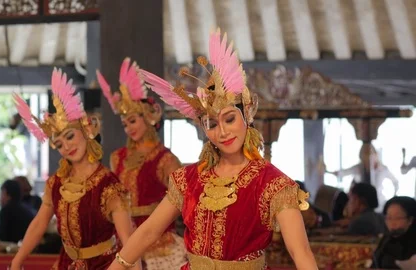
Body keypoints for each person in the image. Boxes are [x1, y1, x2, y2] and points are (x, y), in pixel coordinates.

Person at [107, 29, 317, 270]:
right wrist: (117, 266)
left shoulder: (273, 184)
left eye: (229, 119)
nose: (223, 132)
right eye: (212, 123)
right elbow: (149, 231)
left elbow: (299, 252)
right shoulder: (189, 179)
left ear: (247, 114)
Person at [10, 69, 141, 270]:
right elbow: (39, 224)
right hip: (65, 264)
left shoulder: (109, 186)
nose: (67, 147)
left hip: (105, 265)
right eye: (59, 144)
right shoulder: (56, 183)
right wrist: (17, 260)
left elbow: (129, 242)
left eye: (70, 136)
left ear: (86, 130)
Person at [97, 58, 187, 269]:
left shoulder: (166, 159)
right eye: (124, 123)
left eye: (133, 121)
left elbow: (183, 200)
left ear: (148, 117)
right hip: (123, 239)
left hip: (159, 243)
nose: (128, 128)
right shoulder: (117, 157)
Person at [328, 144, 398, 212]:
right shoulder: (359, 168)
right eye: (365, 155)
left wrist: (394, 195)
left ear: (375, 154)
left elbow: (395, 181)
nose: (369, 157)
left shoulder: (383, 169)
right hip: (362, 202)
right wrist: (332, 172)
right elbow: (344, 172)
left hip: (379, 201)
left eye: (370, 154)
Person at [372, 196, 416, 269]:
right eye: (389, 218)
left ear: (410, 220)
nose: (392, 223)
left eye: (398, 218)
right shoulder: (386, 240)